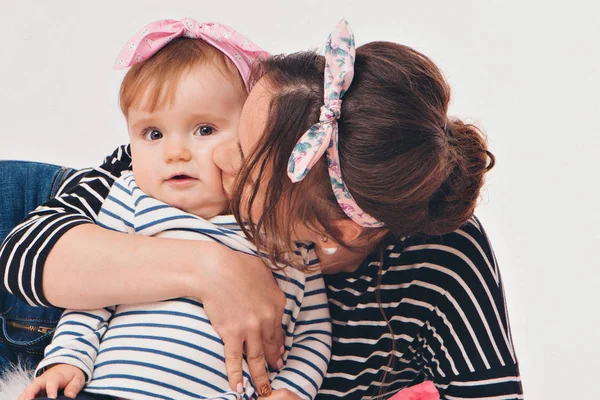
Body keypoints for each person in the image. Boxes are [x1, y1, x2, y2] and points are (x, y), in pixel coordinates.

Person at [1, 20, 524, 399]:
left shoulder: (439, 260)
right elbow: (25, 254)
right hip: (47, 313)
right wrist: (215, 268)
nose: (215, 154)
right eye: (238, 121)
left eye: (245, 159)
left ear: (330, 230)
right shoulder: (174, 172)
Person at [17, 18, 330, 400]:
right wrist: (67, 360)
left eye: (204, 130)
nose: (175, 152)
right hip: (110, 390)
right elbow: (91, 298)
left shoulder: (279, 227)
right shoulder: (130, 200)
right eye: (153, 134)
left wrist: (294, 391)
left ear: (251, 133)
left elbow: (313, 334)